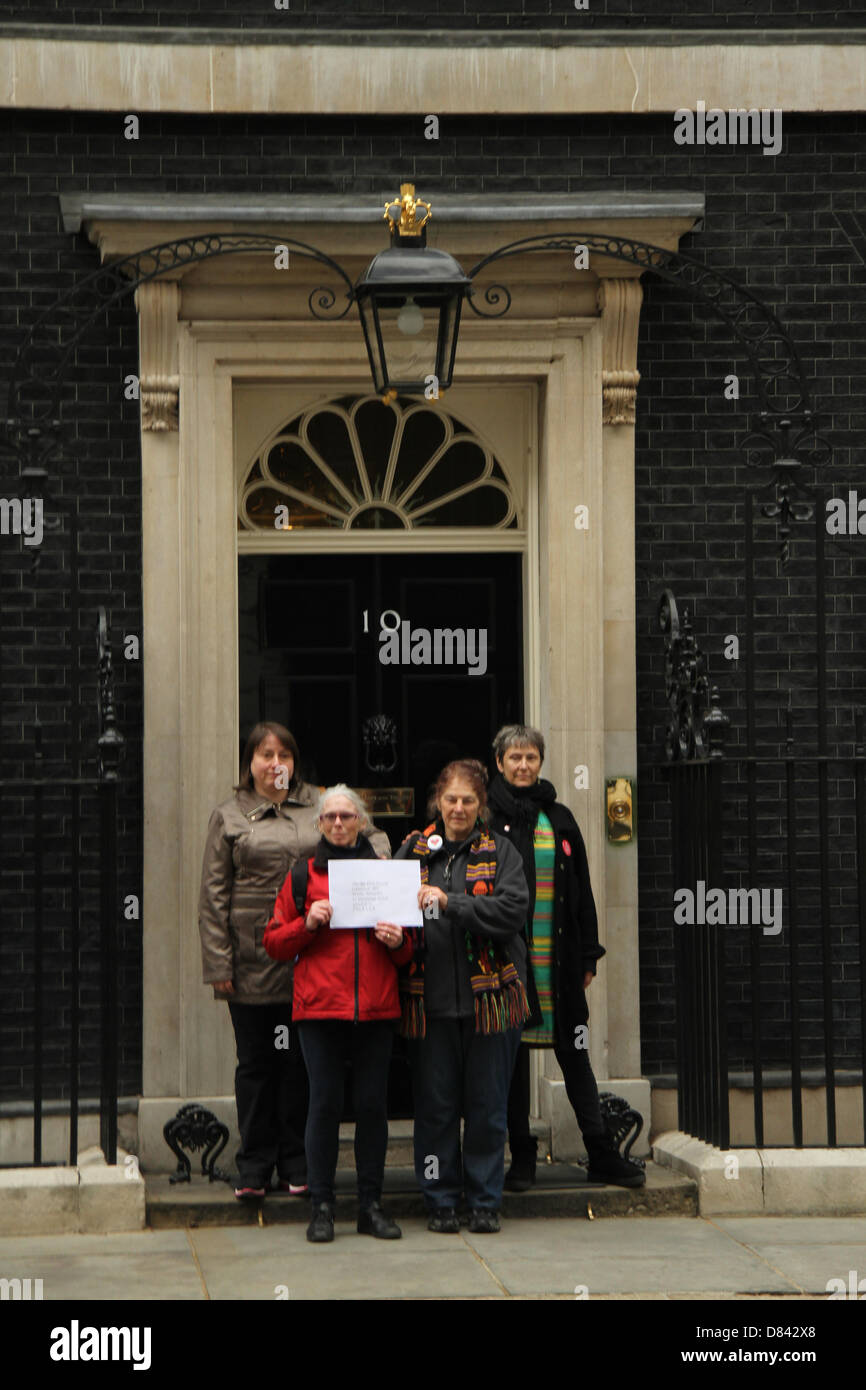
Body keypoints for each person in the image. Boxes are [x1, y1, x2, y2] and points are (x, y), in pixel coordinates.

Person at [487, 724, 645, 1190]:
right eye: (514, 758)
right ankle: (522, 1158)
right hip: (509, 964)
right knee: (512, 1061)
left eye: (531, 757)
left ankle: (599, 1152)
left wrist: (590, 956)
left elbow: (583, 892)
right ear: (499, 763)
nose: (522, 765)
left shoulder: (560, 818)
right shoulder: (489, 819)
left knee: (576, 1053)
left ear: (540, 761)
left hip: (560, 962)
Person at [264, 785, 411, 1243]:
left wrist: (399, 941)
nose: (339, 824)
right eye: (330, 818)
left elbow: (411, 952)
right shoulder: (302, 876)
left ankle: (371, 1205)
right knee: (323, 1106)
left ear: (362, 822)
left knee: (372, 1107)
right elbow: (273, 943)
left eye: (348, 816)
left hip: (376, 1007)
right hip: (319, 1010)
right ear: (320, 824)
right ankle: (322, 1206)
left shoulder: (387, 875)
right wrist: (305, 924)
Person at [394, 759, 530, 1234]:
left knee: (488, 1106)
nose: (458, 808)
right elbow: (391, 910)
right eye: (450, 799)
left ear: (481, 806)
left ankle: (485, 1200)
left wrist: (452, 903)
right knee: (435, 1110)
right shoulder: (412, 850)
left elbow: (511, 911)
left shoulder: (503, 852)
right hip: (429, 1003)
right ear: (437, 801)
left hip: (491, 1004)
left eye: (468, 800)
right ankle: (440, 1198)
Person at [197, 722, 316, 1201]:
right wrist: (218, 964)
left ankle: (297, 1162)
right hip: (251, 962)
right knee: (256, 1066)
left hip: (308, 960)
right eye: (265, 755)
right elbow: (212, 895)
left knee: (298, 1065)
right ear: (250, 763)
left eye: (284, 754)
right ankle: (254, 1165)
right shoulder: (229, 816)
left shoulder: (320, 806)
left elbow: (367, 840)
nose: (275, 763)